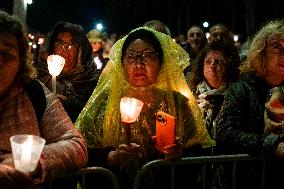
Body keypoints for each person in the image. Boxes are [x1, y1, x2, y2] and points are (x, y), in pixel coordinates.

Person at [75, 27, 215, 189]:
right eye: (131, 56)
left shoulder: (177, 103)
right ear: (122, 63)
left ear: (160, 62)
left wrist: (179, 154)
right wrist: (111, 157)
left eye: (148, 55)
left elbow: (197, 153)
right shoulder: (105, 102)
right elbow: (80, 149)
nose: (139, 64)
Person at [0, 11, 88, 188]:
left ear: (21, 62)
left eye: (6, 54)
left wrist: (35, 161)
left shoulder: (34, 92)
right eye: (60, 42)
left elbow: (76, 145)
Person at [215, 19, 284, 188]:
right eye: (277, 48)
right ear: (261, 52)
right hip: (247, 179)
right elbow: (225, 132)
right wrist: (271, 144)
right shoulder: (242, 89)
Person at [36, 21, 99, 123]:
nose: (65, 48)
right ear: (52, 47)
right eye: (60, 42)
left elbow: (95, 118)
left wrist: (70, 104)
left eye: (72, 43)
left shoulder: (92, 81)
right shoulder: (39, 77)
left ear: (81, 50)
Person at [187, 40, 241, 139]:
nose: (212, 65)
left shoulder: (238, 95)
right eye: (208, 61)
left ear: (229, 66)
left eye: (218, 61)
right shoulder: (190, 93)